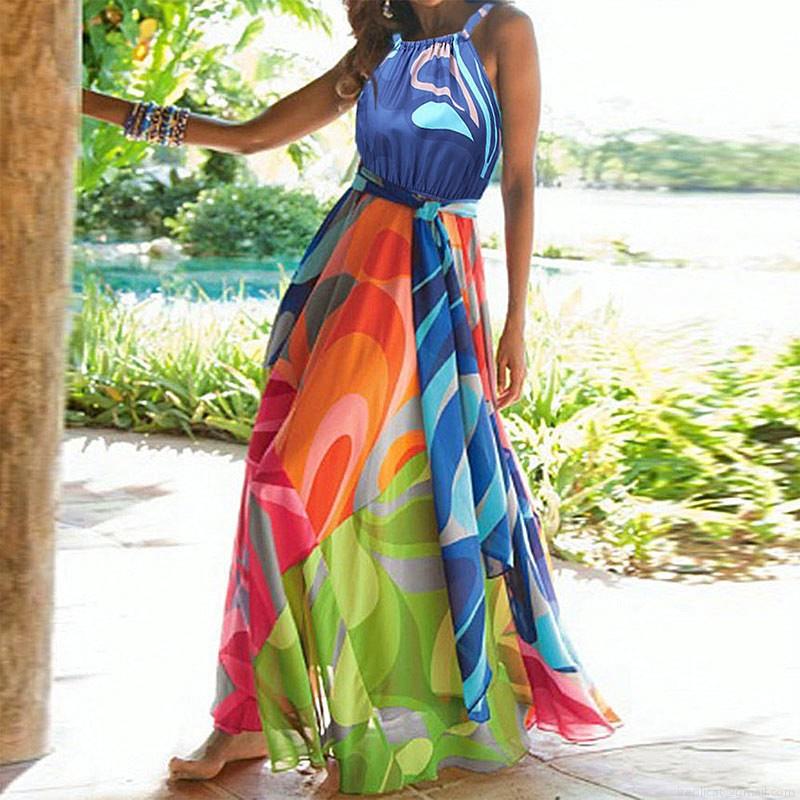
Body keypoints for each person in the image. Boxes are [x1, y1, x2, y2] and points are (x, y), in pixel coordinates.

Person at [82, 0, 623, 794]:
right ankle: (249, 717)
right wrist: (84, 101)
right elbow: (249, 135)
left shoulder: (502, 28)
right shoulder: (381, 43)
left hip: (431, 285)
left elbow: (517, 178)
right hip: (347, 274)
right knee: (279, 486)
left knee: (395, 493)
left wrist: (517, 323)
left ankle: (377, 730)